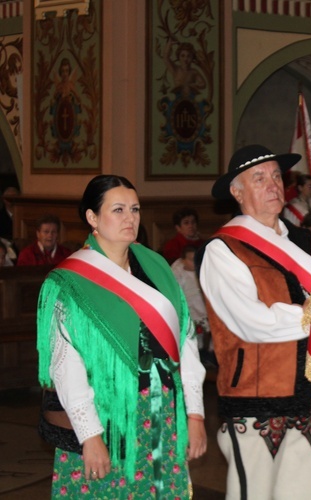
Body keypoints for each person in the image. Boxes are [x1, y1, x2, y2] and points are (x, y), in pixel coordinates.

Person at [36, 175, 207, 498]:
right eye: (118, 210)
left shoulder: (155, 267)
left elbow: (185, 341)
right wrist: (89, 436)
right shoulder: (70, 282)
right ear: (92, 217)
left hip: (160, 418)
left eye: (135, 209)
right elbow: (65, 365)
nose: (130, 218)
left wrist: (195, 414)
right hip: (104, 421)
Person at [197, 145, 311, 500]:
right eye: (259, 178)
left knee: (300, 494)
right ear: (236, 192)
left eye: (276, 176)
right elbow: (252, 322)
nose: (273, 185)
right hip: (256, 395)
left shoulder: (307, 241)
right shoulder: (222, 250)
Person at [170, 245, 212, 361]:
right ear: (183, 260)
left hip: (202, 307)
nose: (194, 262)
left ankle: (206, 350)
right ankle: (196, 351)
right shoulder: (179, 274)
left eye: (195, 258)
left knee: (207, 330)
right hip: (189, 308)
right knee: (193, 333)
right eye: (190, 259)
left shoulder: (201, 272)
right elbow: (177, 293)